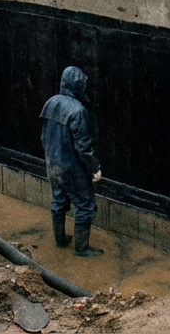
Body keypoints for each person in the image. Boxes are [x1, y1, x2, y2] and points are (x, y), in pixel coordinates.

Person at [41, 66, 105, 257]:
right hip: (71, 166)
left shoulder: (50, 103)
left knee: (58, 201)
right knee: (86, 206)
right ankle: (82, 248)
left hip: (53, 163)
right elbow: (83, 146)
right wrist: (95, 168)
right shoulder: (78, 110)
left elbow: (44, 137)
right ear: (76, 85)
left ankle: (60, 240)